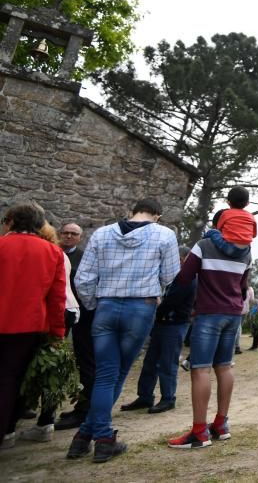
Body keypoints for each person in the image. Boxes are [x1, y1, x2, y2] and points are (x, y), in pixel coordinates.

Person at [67, 198, 179, 463]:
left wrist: (94, 303)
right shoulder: (164, 235)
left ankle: (84, 436)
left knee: (106, 374)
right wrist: (157, 290)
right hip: (140, 308)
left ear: (131, 212)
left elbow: (83, 278)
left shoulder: (101, 234)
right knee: (116, 374)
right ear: (158, 216)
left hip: (106, 306)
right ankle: (103, 438)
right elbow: (171, 275)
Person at [167, 215, 252, 449]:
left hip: (209, 313)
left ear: (217, 226)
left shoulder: (204, 245)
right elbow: (243, 286)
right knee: (224, 367)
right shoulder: (246, 251)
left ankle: (199, 432)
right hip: (233, 314)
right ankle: (221, 424)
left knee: (200, 369)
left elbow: (184, 277)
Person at [0, 204, 67, 450]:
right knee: (12, 381)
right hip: (28, 327)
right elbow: (57, 298)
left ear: (12, 221)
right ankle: (6, 431)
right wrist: (57, 332)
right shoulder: (52, 252)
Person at [17, 222, 79, 444]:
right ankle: (42, 418)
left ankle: (44, 421)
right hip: (64, 310)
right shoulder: (58, 254)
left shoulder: (49, 254)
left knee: (45, 365)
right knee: (49, 366)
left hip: (53, 311)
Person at [120, 245, 196, 415]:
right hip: (162, 322)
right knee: (150, 361)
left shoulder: (186, 278)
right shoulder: (170, 276)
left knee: (167, 363)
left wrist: (153, 310)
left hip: (174, 323)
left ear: (182, 259)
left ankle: (168, 398)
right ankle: (145, 396)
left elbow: (171, 301)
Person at [55, 221, 94, 431]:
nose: (68, 236)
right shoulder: (51, 252)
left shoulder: (83, 259)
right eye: (66, 233)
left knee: (84, 363)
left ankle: (83, 408)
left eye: (73, 234)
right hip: (54, 315)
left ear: (80, 238)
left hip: (80, 317)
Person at [202, 186, 257, 258]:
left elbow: (219, 229)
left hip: (229, 248)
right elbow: (254, 235)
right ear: (247, 203)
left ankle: (203, 243)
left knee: (212, 232)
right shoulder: (251, 217)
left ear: (228, 202)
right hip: (244, 251)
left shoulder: (226, 214)